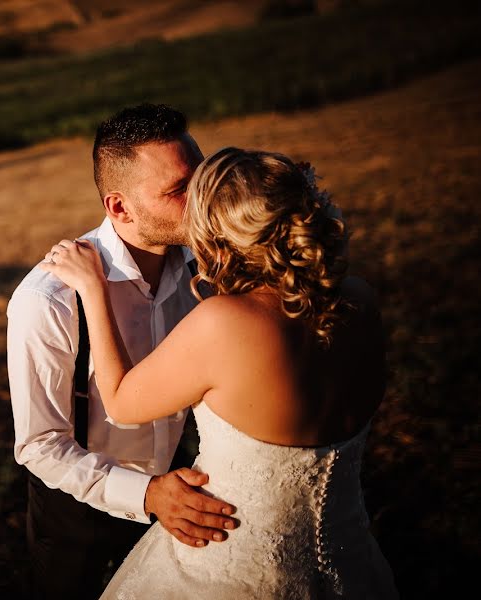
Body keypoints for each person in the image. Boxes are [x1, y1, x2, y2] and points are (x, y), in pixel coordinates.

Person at [40, 147, 400, 599]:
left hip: (234, 569)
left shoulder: (225, 323)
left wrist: (93, 290)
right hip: (352, 565)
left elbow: (120, 403)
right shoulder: (360, 301)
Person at [6, 104, 237, 600]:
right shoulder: (46, 300)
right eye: (178, 191)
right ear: (119, 208)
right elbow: (39, 443)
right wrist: (147, 494)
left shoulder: (207, 268)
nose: (201, 202)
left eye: (201, 180)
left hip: (181, 487)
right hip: (77, 511)